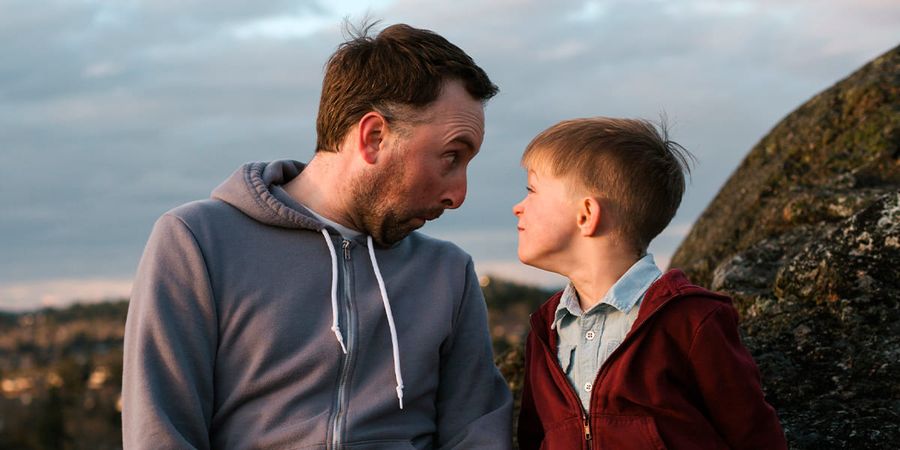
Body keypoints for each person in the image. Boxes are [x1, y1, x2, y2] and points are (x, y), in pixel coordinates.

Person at [122, 23, 512, 449]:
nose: (458, 194)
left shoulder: (448, 274)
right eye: (451, 157)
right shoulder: (198, 243)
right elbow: (161, 436)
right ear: (374, 136)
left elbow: (475, 435)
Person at [513, 118, 787, 449]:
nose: (518, 208)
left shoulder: (691, 320)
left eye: (531, 190)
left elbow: (754, 436)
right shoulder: (546, 329)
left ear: (586, 214)